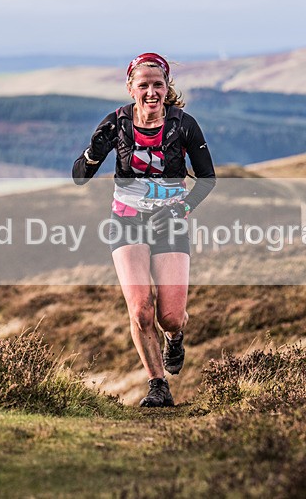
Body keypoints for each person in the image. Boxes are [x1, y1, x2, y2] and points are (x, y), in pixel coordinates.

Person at [72, 53, 216, 407]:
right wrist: (94, 151)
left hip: (170, 225)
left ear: (167, 88)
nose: (151, 92)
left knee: (169, 316)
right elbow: (79, 176)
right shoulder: (116, 124)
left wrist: (181, 208)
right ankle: (157, 385)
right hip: (127, 221)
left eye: (158, 85)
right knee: (139, 311)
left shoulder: (184, 125)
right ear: (130, 88)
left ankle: (176, 336)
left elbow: (207, 180)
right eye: (144, 85)